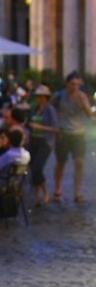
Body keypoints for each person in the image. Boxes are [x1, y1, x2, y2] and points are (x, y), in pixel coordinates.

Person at [51, 71, 93, 203]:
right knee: (61, 162)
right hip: (63, 133)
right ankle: (58, 189)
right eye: (72, 84)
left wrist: (84, 103)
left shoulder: (82, 96)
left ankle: (77, 192)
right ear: (67, 83)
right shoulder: (59, 96)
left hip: (78, 133)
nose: (75, 87)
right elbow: (50, 109)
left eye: (77, 84)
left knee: (79, 162)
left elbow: (89, 114)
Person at [27, 85, 58, 206]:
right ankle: (37, 195)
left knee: (37, 168)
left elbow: (56, 128)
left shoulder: (50, 110)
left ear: (46, 97)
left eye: (42, 97)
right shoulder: (35, 109)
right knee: (33, 168)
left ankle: (46, 192)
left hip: (45, 142)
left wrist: (40, 127)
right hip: (34, 141)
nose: (39, 99)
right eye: (38, 97)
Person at [0, 127, 30, 193]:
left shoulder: (9, 155)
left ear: (9, 140)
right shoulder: (27, 154)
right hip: (14, 183)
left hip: (1, 184)